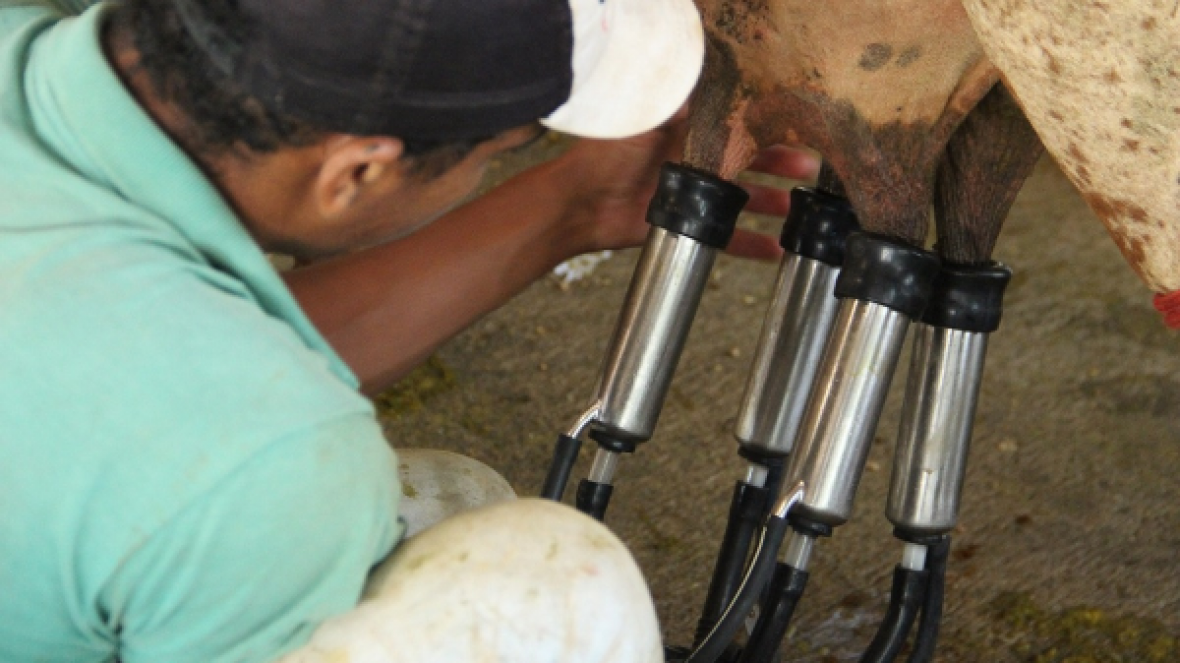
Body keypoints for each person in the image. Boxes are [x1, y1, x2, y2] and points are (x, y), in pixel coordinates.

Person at [0, 0, 818, 661]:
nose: (493, 167)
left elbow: (174, 387)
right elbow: (230, 437)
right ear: (355, 171)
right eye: (501, 150)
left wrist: (576, 203)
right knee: (554, 587)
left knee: (451, 501)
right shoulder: (263, 468)